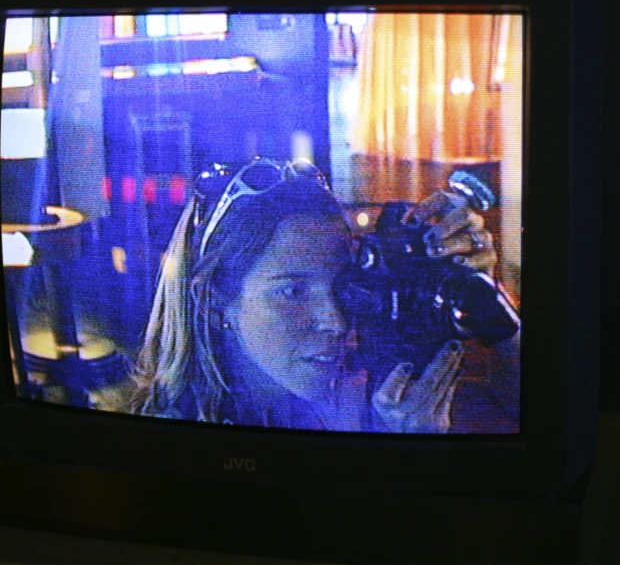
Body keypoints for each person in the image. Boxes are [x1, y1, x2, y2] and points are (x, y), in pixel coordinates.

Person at [131, 158, 518, 433]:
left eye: (343, 283)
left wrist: (480, 293)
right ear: (213, 300)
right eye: (293, 291)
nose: (336, 321)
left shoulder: (370, 385)